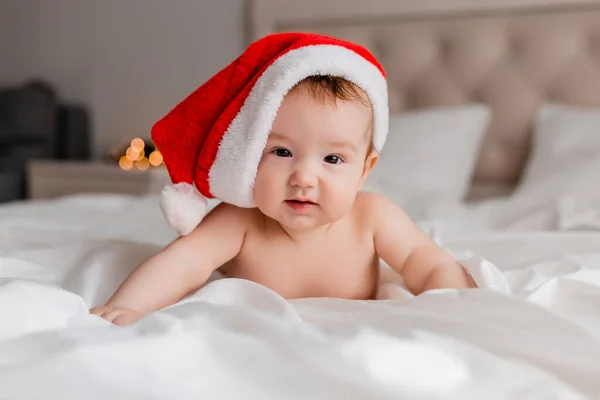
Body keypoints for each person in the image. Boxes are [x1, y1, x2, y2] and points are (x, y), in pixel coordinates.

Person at [90, 32, 475, 326]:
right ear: (251, 155)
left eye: (333, 158)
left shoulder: (372, 217)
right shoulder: (241, 220)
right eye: (282, 152)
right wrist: (128, 307)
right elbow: (182, 262)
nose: (304, 177)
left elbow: (424, 261)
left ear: (365, 170)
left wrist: (453, 302)